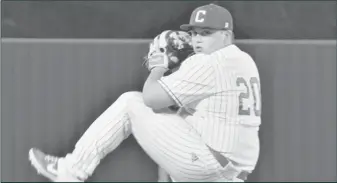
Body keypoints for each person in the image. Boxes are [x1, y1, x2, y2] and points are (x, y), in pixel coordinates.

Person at [29, 3, 262, 182]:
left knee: (131, 102)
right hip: (232, 172)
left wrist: (158, 66)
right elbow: (172, 117)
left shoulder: (208, 63)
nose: (197, 39)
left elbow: (151, 98)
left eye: (206, 32)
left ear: (226, 34)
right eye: (194, 33)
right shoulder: (244, 60)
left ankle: (70, 171)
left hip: (208, 165)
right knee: (178, 113)